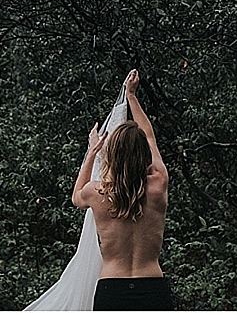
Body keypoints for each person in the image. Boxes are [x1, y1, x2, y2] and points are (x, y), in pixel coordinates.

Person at [72, 69, 173, 310]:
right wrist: (132, 96)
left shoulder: (97, 193)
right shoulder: (158, 184)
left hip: (111, 290)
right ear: (144, 155)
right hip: (153, 289)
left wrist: (92, 152)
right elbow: (149, 136)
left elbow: (76, 197)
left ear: (112, 155)